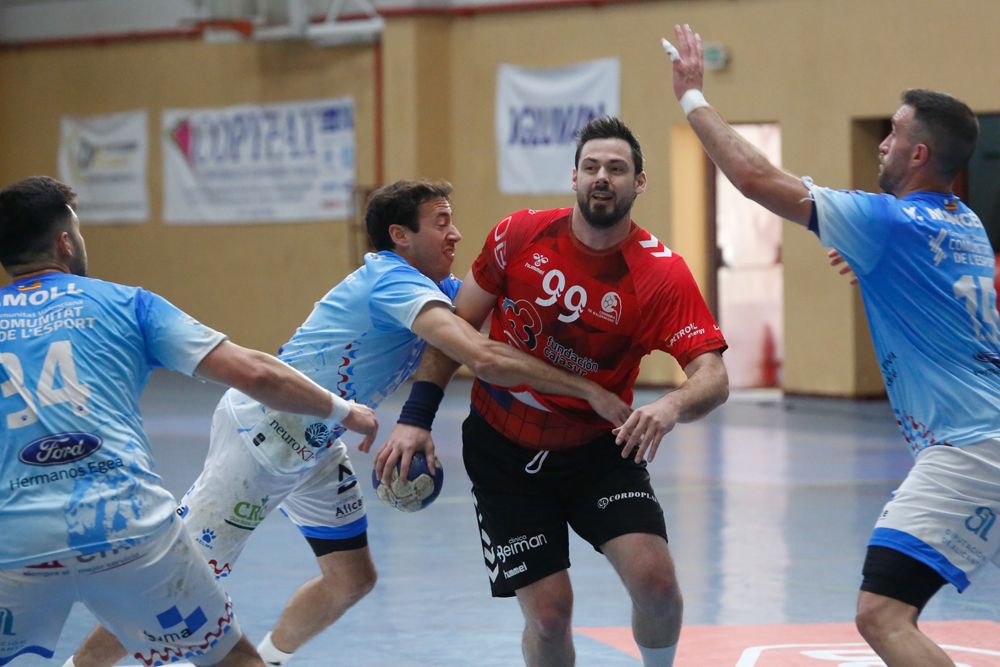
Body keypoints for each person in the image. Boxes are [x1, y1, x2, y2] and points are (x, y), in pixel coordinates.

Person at [71, 179, 631, 667]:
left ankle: (266, 660)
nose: (457, 234)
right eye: (442, 224)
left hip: (316, 445)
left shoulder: (438, 289)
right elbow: (481, 356)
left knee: (351, 580)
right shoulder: (391, 281)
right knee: (179, 582)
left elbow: (506, 319)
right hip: (264, 437)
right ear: (399, 236)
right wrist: (590, 391)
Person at [664, 23, 1000, 666]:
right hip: (987, 432)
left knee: (882, 615)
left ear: (922, 154)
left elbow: (755, 177)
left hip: (965, 447)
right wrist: (875, 271)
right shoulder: (965, 224)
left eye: (895, 132)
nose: (883, 141)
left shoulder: (891, 222)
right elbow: (923, 286)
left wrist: (692, 98)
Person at [376, 118, 730, 667]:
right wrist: (417, 416)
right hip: (502, 451)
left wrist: (671, 406)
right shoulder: (519, 235)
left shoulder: (662, 275)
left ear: (640, 183)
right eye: (591, 167)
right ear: (574, 177)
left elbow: (713, 375)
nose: (602, 178)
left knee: (657, 585)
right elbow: (457, 333)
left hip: (597, 452)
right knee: (548, 615)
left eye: (616, 168)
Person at [0, 176, 377, 667]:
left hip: (15, 538)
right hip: (128, 529)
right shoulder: (126, 303)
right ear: (65, 243)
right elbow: (255, 373)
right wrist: (344, 409)